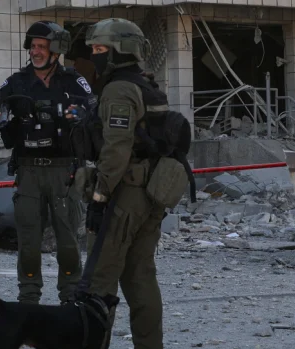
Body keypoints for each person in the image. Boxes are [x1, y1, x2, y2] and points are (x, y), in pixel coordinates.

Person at [0, 21, 95, 305]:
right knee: (28, 241)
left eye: (42, 46)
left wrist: (74, 114)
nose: (36, 52)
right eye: (33, 46)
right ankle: (28, 298)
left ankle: (70, 297)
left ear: (56, 50)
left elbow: (95, 114)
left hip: (64, 171)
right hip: (29, 171)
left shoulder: (73, 81)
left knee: (67, 239)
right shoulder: (17, 82)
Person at [81, 18, 174, 349]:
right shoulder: (150, 87)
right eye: (93, 49)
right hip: (150, 196)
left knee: (98, 281)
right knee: (140, 278)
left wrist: (99, 196)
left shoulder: (119, 89)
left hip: (123, 195)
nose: (95, 55)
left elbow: (116, 151)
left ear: (122, 51)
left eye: (101, 49)